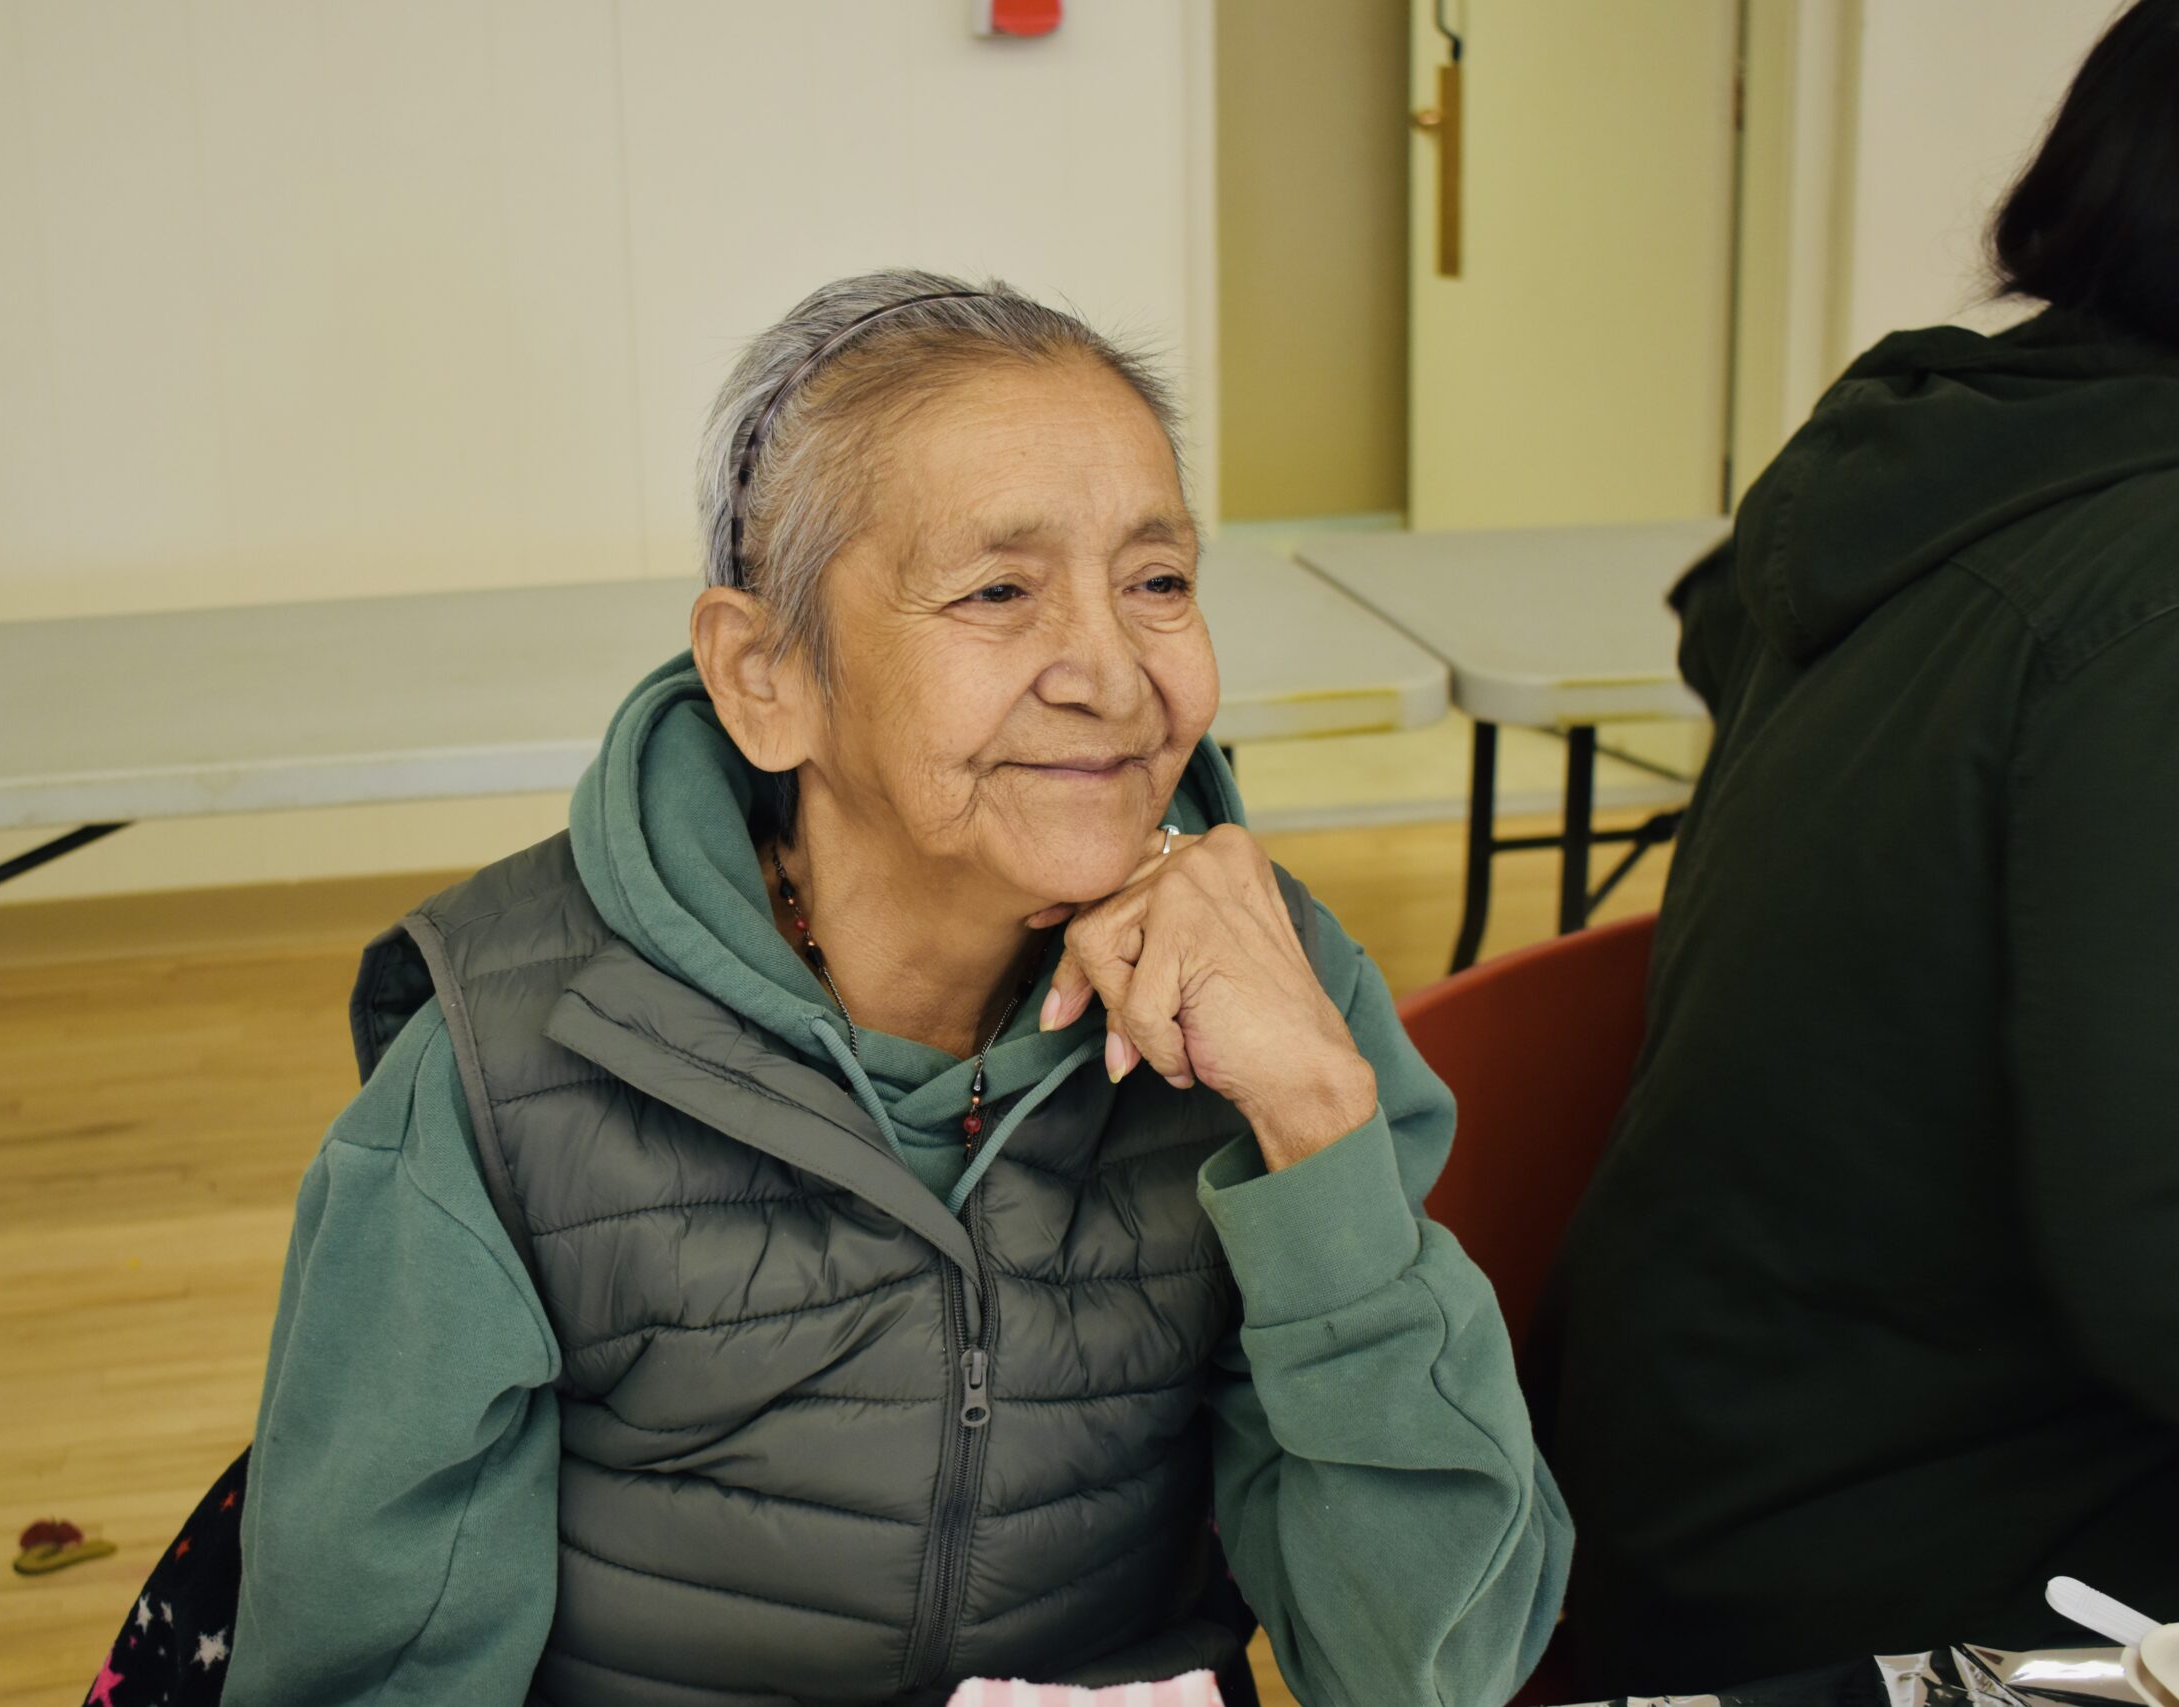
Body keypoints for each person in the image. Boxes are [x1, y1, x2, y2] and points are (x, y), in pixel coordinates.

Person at [219, 271, 1570, 1706]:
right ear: (766, 676)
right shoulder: (500, 1063)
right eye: (999, 591)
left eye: (1159, 582)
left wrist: (1315, 1124)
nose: (1113, 673)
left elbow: (1439, 1672)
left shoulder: (1272, 999)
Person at [1533, 1, 2179, 1693]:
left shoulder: (1940, 436)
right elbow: (2155, 1251)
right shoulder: (2147, 587)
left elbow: (1715, 622)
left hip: (1711, 1449)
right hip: (1906, 1575)